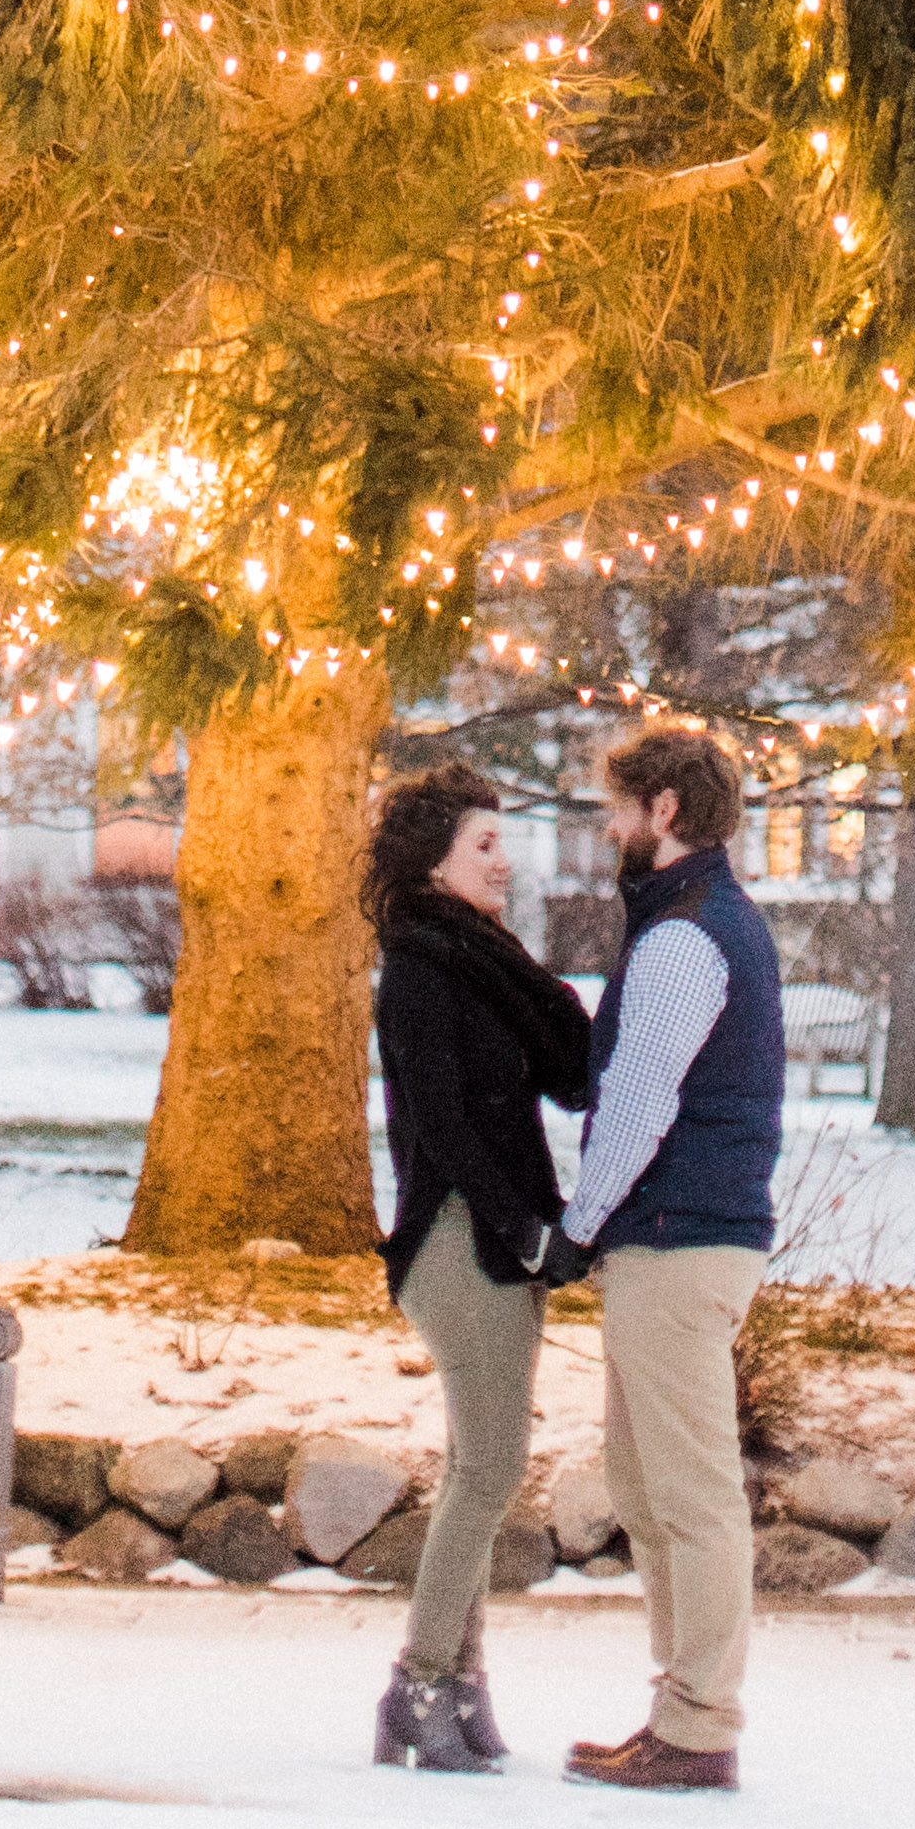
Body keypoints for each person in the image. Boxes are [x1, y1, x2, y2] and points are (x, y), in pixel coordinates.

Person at [535, 723, 782, 1794]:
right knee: (645, 1483)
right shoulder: (692, 922)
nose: (610, 828)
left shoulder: (689, 934)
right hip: (674, 1237)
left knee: (688, 1491)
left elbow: (640, 1101)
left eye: (620, 809)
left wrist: (576, 1225)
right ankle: (681, 1706)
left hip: (682, 1238)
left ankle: (699, 1722)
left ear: (664, 813)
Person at [369, 756, 595, 1772]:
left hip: (492, 1237)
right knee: (493, 1468)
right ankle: (419, 1687)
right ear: (434, 866)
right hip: (459, 1238)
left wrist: (528, 971)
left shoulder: (479, 960)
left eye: (503, 841)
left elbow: (573, 1073)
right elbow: (444, 1126)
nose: (507, 860)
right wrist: (525, 1231)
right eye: (485, 845)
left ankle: (455, 1690)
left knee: (478, 1467)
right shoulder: (418, 966)